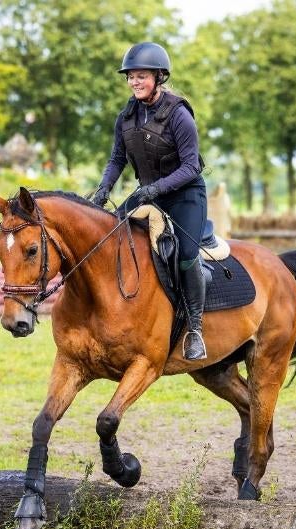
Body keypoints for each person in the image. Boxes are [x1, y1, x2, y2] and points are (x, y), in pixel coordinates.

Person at [92, 42, 209, 361]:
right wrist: (103, 189)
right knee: (111, 238)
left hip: (185, 195)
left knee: (186, 255)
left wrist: (155, 189)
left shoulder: (179, 114)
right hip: (148, 194)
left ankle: (195, 329)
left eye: (141, 76)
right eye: (130, 77)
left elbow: (191, 166)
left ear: (159, 77)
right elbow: (117, 159)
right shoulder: (125, 117)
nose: (134, 82)